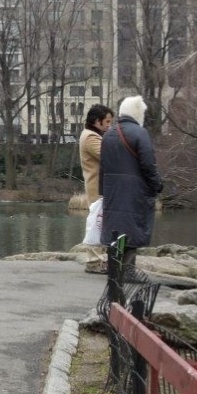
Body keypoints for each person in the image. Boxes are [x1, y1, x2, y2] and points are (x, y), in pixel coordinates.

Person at [99, 96, 164, 275]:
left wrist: (103, 191)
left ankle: (114, 268)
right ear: (138, 113)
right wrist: (157, 185)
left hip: (113, 192)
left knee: (116, 229)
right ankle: (128, 271)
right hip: (134, 192)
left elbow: (102, 167)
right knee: (132, 230)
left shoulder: (109, 135)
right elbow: (149, 164)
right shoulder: (140, 134)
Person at [79, 104, 114, 273]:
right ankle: (94, 262)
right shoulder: (91, 137)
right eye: (107, 121)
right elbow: (108, 156)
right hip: (96, 187)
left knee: (99, 222)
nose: (109, 125)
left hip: (97, 186)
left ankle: (98, 260)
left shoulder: (91, 135)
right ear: (96, 121)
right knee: (96, 224)